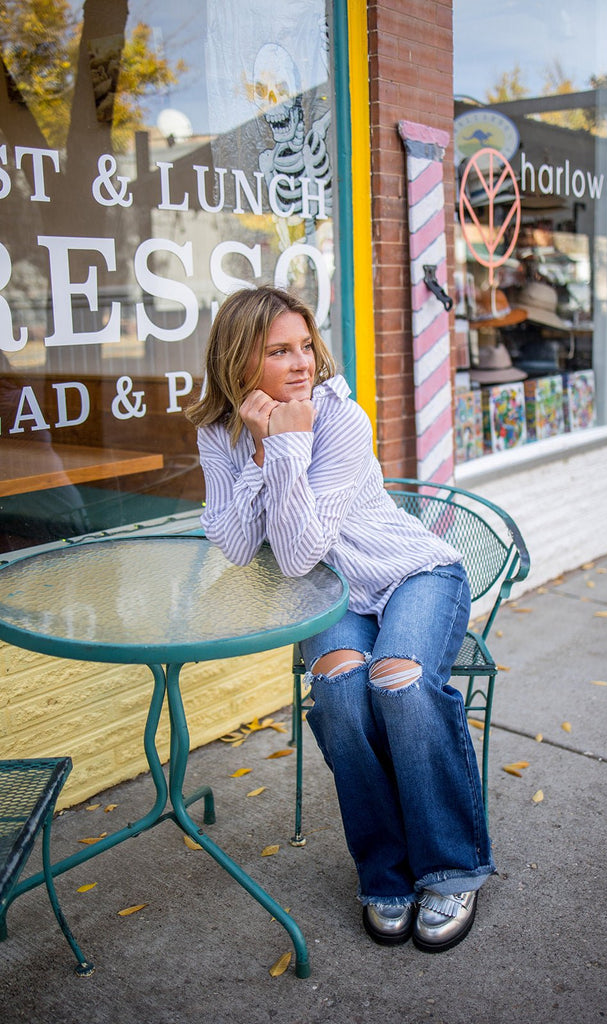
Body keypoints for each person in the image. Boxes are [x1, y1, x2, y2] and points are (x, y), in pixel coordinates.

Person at [186, 286, 494, 952]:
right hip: (330, 596)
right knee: (339, 692)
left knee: (399, 683)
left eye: (304, 345)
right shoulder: (219, 432)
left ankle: (451, 865)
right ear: (240, 360)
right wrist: (262, 456)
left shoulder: (340, 418)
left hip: (412, 575)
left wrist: (288, 448)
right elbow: (239, 545)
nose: (300, 363)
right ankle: (385, 870)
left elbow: (294, 550)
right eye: (278, 351)